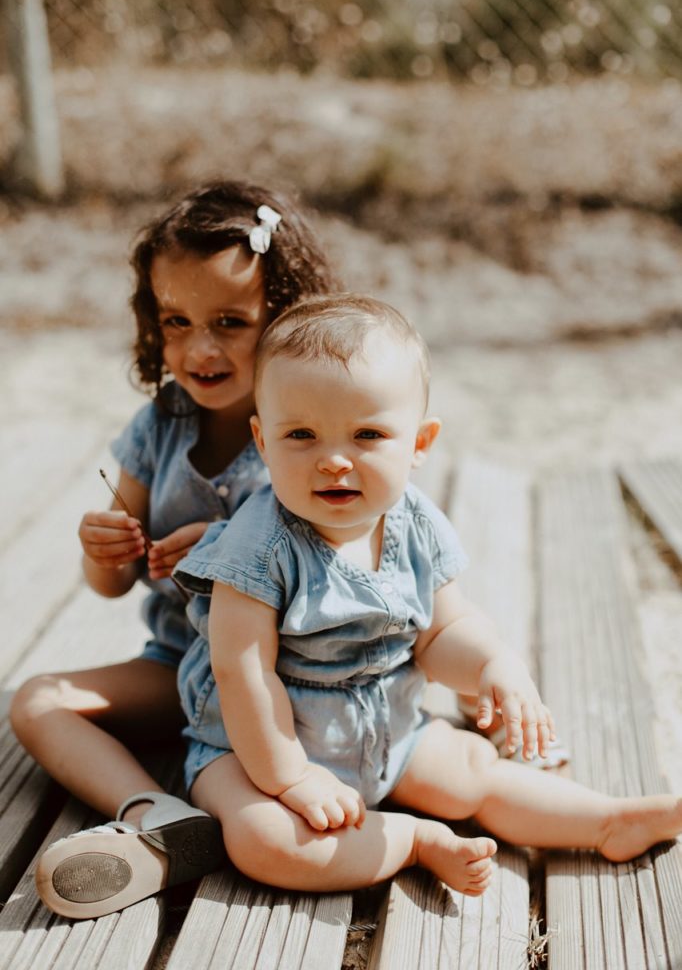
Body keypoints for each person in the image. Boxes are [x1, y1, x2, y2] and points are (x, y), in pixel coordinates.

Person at [171, 293, 682, 898]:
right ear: (262, 441)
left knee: (474, 773)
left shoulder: (414, 522)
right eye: (301, 435)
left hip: (387, 727)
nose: (334, 460)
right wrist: (291, 780)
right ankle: (412, 840)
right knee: (265, 840)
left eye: (367, 434)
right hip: (253, 752)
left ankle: (605, 820)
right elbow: (243, 673)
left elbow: (441, 634)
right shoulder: (257, 549)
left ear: (418, 443)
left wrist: (494, 664)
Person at [10, 180, 338, 919]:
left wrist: (224, 548)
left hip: (294, 682)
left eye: (230, 321)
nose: (200, 348)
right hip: (182, 671)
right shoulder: (160, 425)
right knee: (37, 702)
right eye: (177, 321)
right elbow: (111, 586)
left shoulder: (310, 427)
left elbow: (347, 559)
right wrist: (104, 547)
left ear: (285, 315)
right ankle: (157, 812)